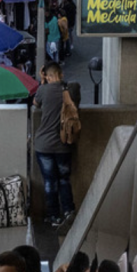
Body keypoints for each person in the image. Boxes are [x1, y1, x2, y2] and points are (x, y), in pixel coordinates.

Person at [33, 62, 81, 227]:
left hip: (44, 145)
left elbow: (36, 104)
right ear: (61, 74)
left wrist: (42, 82)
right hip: (64, 145)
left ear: (47, 76)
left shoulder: (43, 90)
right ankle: (69, 211)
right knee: (64, 180)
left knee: (49, 182)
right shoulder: (71, 90)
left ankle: (54, 216)